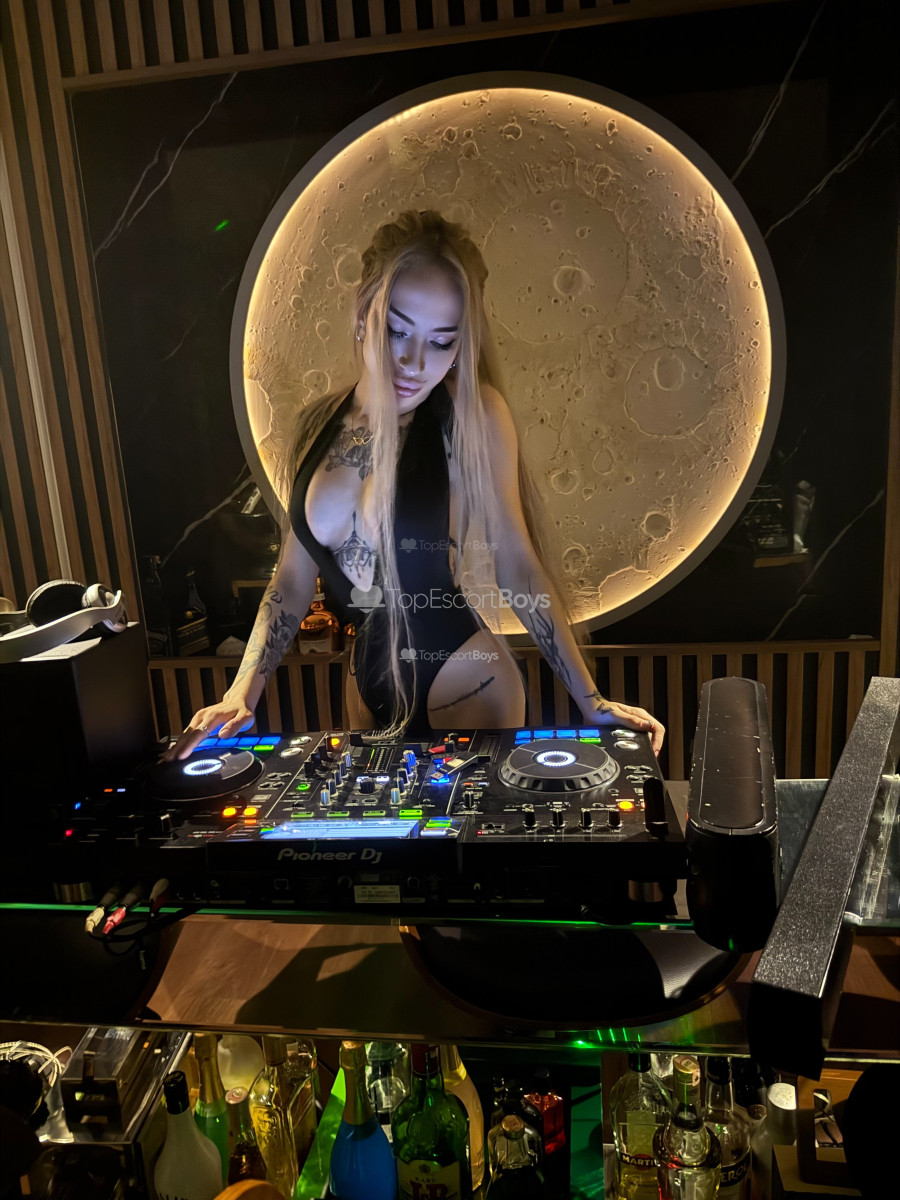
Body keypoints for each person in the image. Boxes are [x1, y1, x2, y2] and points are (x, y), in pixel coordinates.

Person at [169, 211, 663, 759]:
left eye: (442, 342)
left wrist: (591, 700)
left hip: (469, 683)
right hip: (364, 688)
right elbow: (290, 579)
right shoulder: (315, 425)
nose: (413, 362)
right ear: (363, 312)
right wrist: (241, 692)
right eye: (397, 331)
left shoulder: (473, 415)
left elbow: (516, 564)